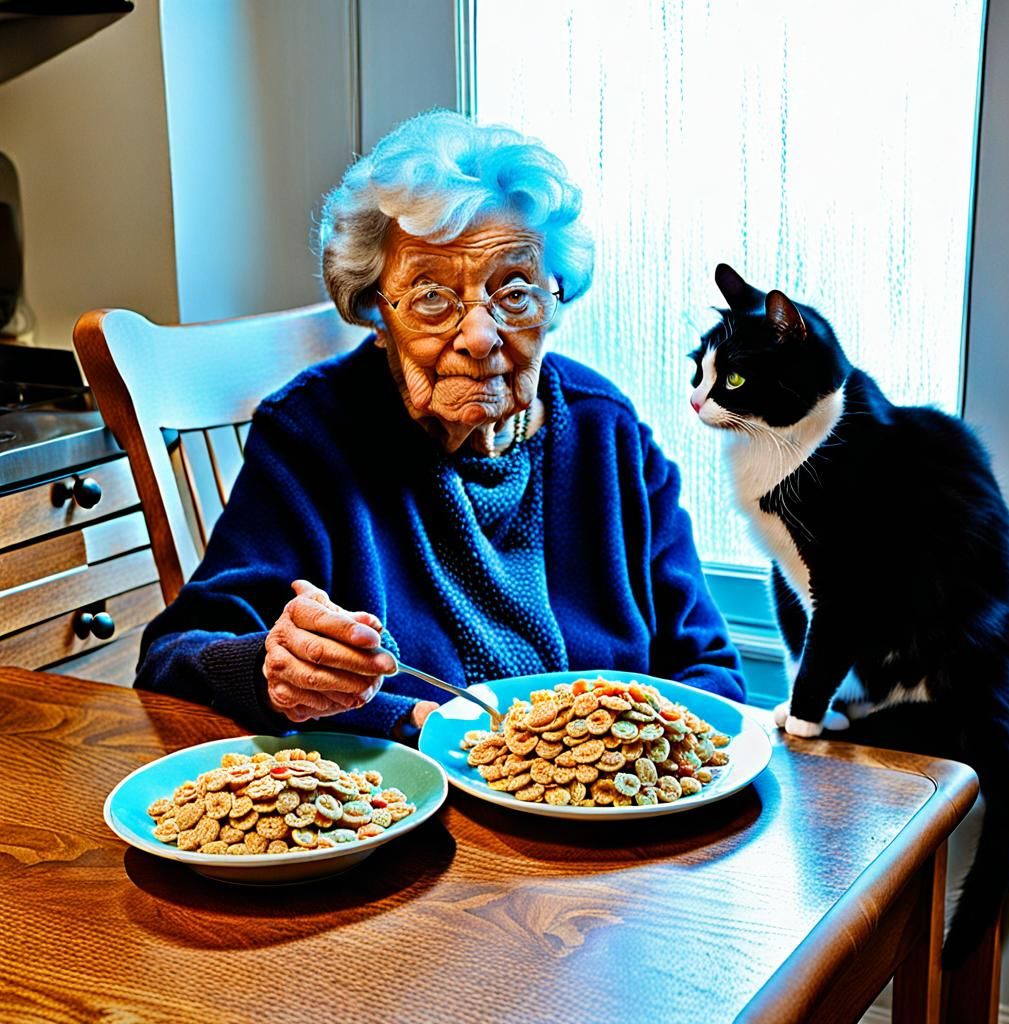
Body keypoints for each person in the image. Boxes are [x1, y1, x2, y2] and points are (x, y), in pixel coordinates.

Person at [135, 109, 744, 740]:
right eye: (431, 297)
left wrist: (647, 749)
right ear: (377, 311)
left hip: (613, 795)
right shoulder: (311, 437)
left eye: (515, 292)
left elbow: (708, 667)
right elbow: (173, 658)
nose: (480, 336)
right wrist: (279, 671)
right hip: (410, 790)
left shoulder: (606, 432)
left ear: (554, 299)